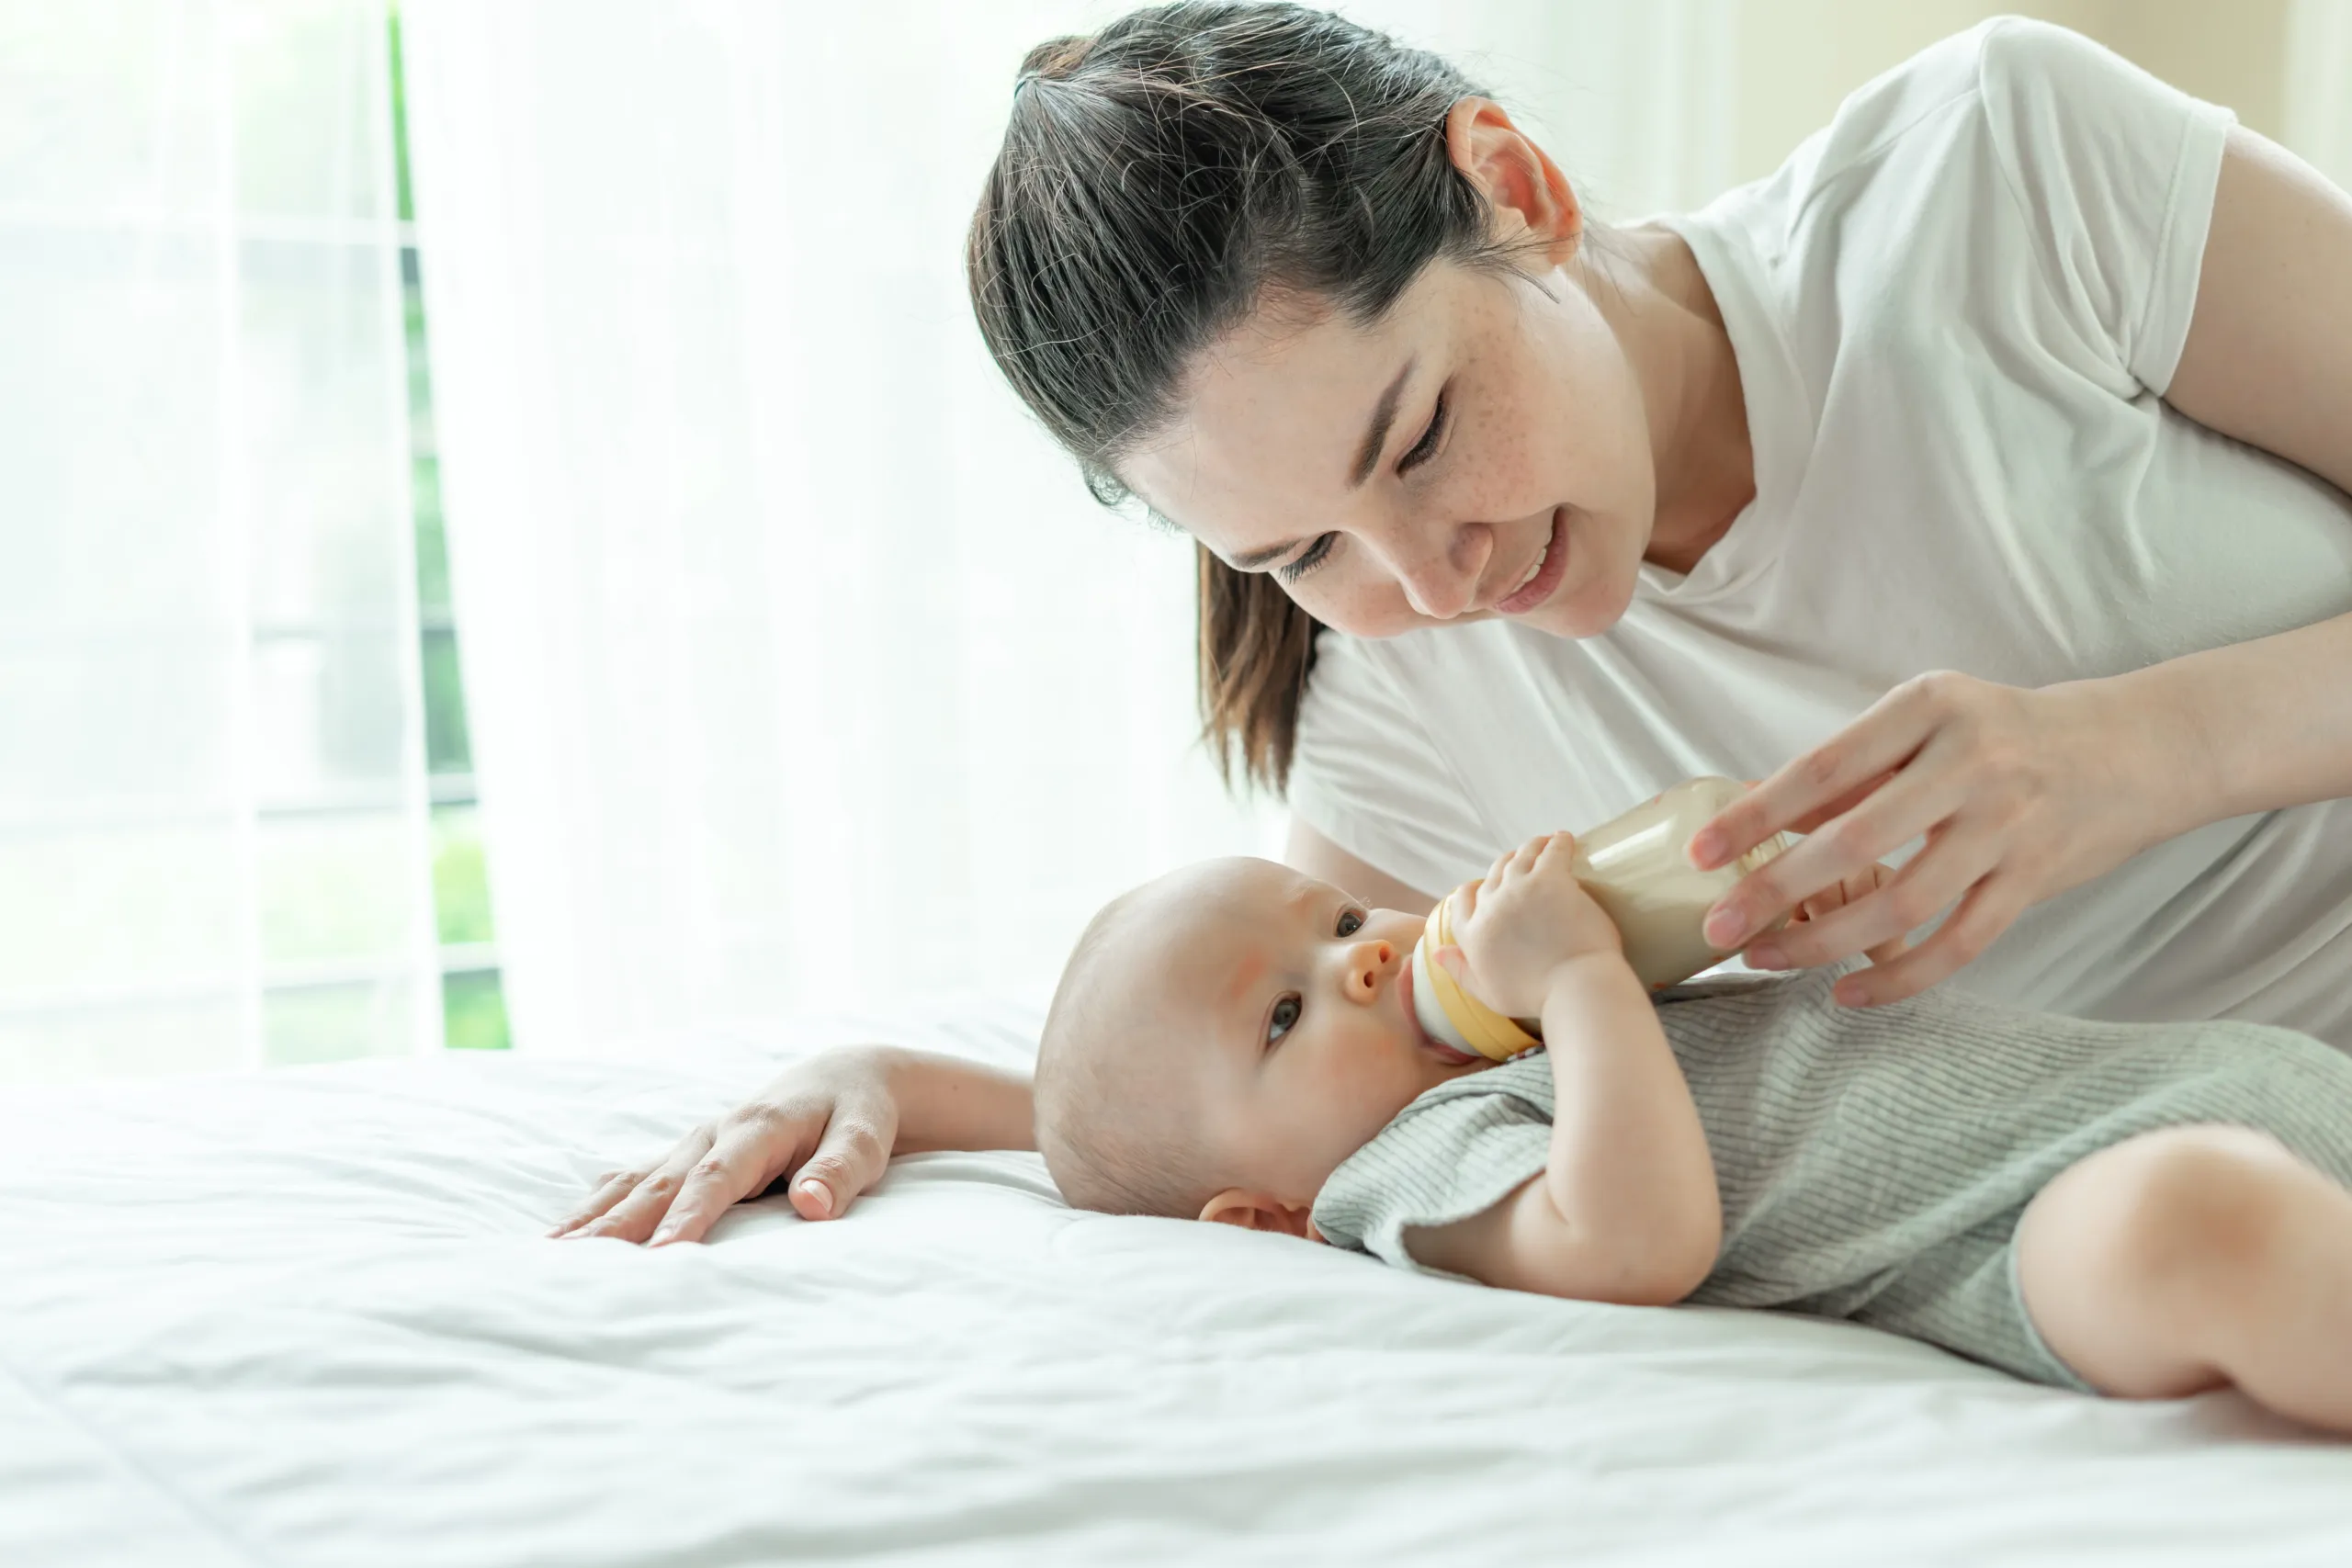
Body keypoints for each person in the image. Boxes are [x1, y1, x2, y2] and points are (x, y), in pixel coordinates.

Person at [549, 4, 2352, 1247]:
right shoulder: (1400, 704)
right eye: (1296, 553)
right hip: (2239, 1203)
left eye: (1412, 436)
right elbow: (1272, 1077)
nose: (1427, 582)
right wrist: (888, 1080)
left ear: (1515, 189)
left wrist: (2138, 752)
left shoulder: (1990, 181)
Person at [1026, 834, 2352, 1427]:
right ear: (1263, 1214)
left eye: (1337, 919)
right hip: (2021, 1233)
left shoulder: (1541, 1028)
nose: (1364, 962)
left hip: (2226, 1080)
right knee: (2189, 1220)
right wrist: (1584, 980)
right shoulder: (1401, 1167)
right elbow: (1632, 1238)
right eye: (1281, 1016)